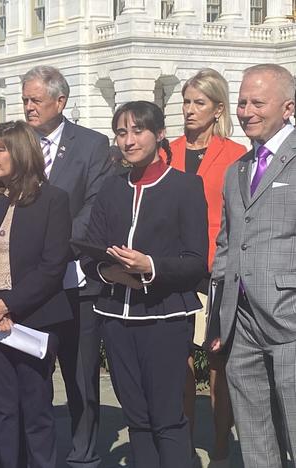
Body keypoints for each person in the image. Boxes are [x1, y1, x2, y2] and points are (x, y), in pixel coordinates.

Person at [82, 101, 208, 468]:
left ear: (160, 134)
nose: (129, 140)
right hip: (115, 317)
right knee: (135, 418)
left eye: (138, 131)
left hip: (164, 318)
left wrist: (149, 265)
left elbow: (195, 261)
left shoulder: (185, 186)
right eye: (122, 133)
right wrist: (114, 273)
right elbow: (91, 253)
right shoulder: (110, 188)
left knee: (167, 417)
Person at [21, 65, 112, 468]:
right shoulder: (17, 142)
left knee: (80, 376)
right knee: (30, 374)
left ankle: (83, 453)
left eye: (35, 101)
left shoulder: (92, 145)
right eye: (24, 100)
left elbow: (95, 206)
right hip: (28, 279)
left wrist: (55, 246)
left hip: (77, 278)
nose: (28, 108)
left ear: (60, 102)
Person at [0, 120, 72, 468]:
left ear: (22, 152)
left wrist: (8, 305)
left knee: (36, 409)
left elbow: (52, 266)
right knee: (2, 410)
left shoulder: (53, 200)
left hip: (34, 319)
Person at [209, 63, 296, 468]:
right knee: (256, 437)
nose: (245, 111)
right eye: (242, 102)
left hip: (289, 320)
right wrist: (217, 319)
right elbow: (226, 247)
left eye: (257, 102)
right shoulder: (237, 170)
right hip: (240, 324)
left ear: (287, 107)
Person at [168, 68, 245, 467]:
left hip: (216, 267)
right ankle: (181, 445)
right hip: (174, 267)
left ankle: (220, 448)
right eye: (186, 101)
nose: (190, 110)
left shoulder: (235, 155)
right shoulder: (167, 149)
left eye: (199, 103)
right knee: (178, 359)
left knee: (217, 360)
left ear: (218, 109)